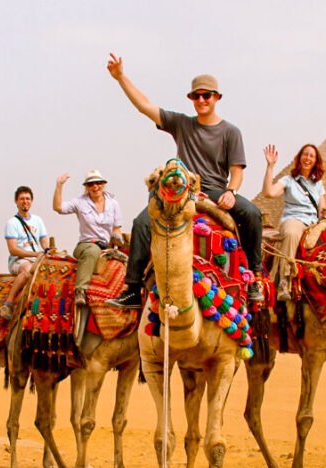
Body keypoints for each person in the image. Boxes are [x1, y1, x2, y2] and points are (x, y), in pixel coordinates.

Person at [105, 53, 265, 308]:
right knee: (141, 223)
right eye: (196, 96)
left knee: (252, 214)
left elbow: (237, 170)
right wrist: (121, 77)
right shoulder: (181, 124)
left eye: (206, 95)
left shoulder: (230, 132)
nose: (201, 100)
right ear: (191, 99)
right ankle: (133, 288)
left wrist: (232, 191)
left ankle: (254, 277)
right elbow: (145, 106)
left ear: (217, 97)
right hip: (183, 192)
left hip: (214, 191)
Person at [261, 143, 326, 302]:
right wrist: (270, 167)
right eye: (305, 154)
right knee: (291, 234)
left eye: (312, 156)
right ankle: (284, 281)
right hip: (295, 219)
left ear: (316, 161)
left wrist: (325, 214)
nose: (308, 158)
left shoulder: (318, 184)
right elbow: (268, 192)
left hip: (313, 222)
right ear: (299, 158)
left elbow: (322, 205)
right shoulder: (288, 180)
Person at [52, 169, 123, 306]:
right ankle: (80, 290)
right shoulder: (80, 202)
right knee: (92, 251)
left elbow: (116, 228)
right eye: (91, 184)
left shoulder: (113, 203)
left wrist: (118, 239)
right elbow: (58, 208)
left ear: (103, 184)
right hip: (86, 245)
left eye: (98, 183)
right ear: (87, 187)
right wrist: (59, 185)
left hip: (106, 248)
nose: (95, 187)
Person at [0, 185, 49, 318]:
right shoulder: (12, 223)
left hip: (37, 259)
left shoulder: (38, 220)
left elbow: (44, 240)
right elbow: (13, 249)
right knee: (27, 271)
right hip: (19, 261)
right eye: (22, 199)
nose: (25, 201)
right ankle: (8, 304)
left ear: (31, 201)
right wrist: (34, 254)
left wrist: (47, 250)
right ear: (16, 201)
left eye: (27, 198)